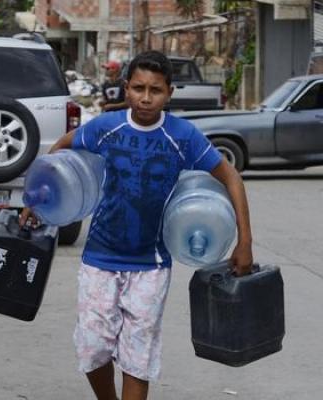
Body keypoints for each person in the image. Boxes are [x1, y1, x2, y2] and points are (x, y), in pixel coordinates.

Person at [21, 50, 253, 400]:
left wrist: (245, 241)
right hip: (100, 256)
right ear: (126, 88)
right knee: (92, 347)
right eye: (139, 88)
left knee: (137, 357)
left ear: (169, 93)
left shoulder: (183, 136)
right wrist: (38, 198)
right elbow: (64, 147)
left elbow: (231, 177)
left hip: (151, 264)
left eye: (156, 90)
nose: (146, 98)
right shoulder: (106, 127)